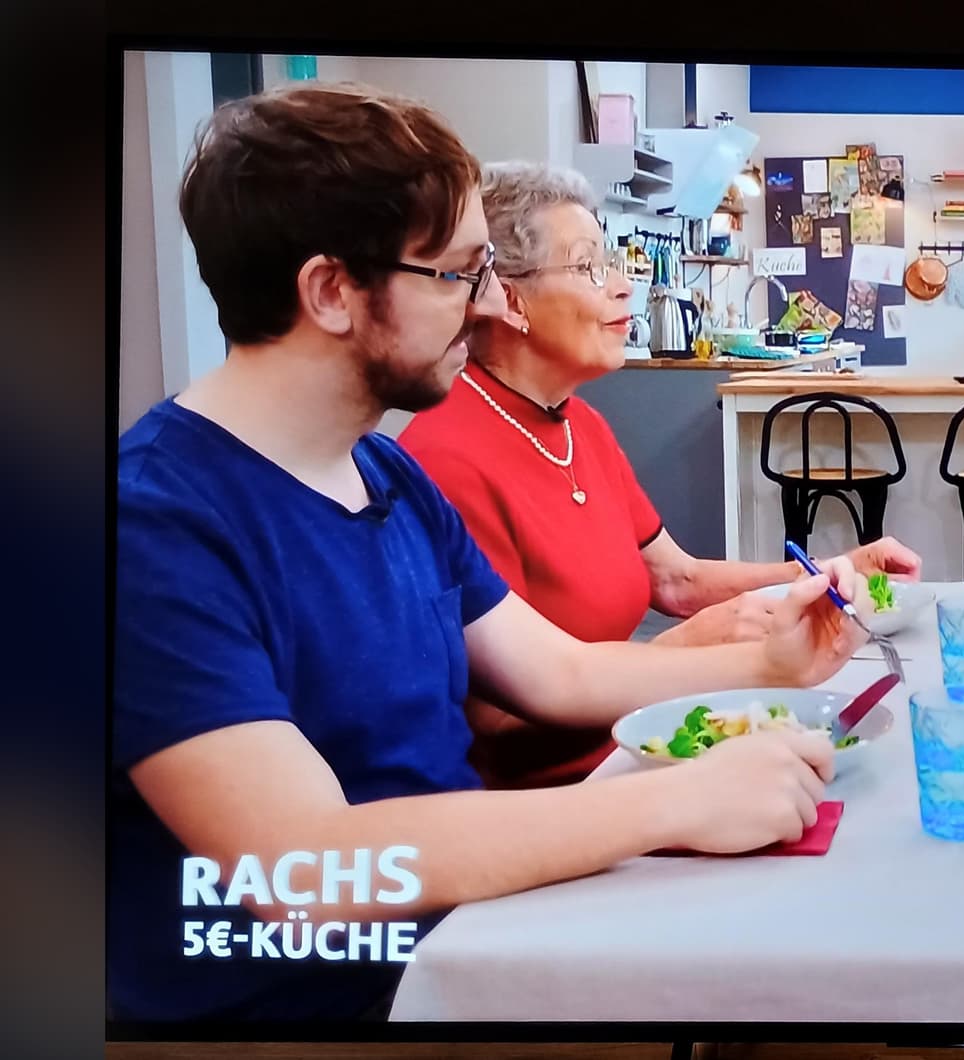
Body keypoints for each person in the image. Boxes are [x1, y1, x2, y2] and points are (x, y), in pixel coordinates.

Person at [113, 83, 869, 1023]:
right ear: (331, 292)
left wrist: (769, 663)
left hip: (470, 938)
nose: (485, 308)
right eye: (459, 275)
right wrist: (675, 804)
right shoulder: (153, 525)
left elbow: (560, 674)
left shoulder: (384, 473)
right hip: (318, 1011)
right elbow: (302, 867)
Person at [397, 161, 920, 789]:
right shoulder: (446, 459)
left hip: (639, 744)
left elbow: (677, 579)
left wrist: (823, 573)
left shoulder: (580, 423)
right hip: (565, 793)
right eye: (590, 267)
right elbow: (498, 718)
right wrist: (688, 648)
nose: (624, 287)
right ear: (510, 300)